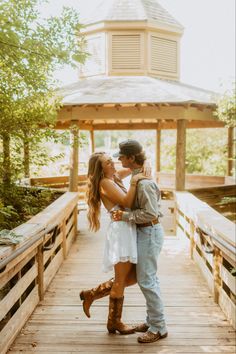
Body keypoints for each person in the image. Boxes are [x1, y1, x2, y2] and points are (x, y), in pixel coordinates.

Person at [80, 152, 150, 335]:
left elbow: (132, 167)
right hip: (121, 233)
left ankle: (92, 294)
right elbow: (127, 202)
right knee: (121, 280)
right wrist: (135, 181)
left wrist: (143, 163)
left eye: (112, 160)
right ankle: (114, 322)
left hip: (127, 228)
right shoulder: (105, 183)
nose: (113, 164)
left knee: (132, 277)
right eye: (108, 162)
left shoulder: (114, 177)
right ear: (101, 169)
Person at [112, 139, 168, 344]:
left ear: (132, 158)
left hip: (149, 232)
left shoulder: (143, 183)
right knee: (150, 278)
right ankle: (152, 320)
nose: (118, 159)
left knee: (146, 280)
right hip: (144, 233)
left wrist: (124, 216)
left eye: (122, 156)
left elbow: (151, 213)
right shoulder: (137, 178)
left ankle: (159, 328)